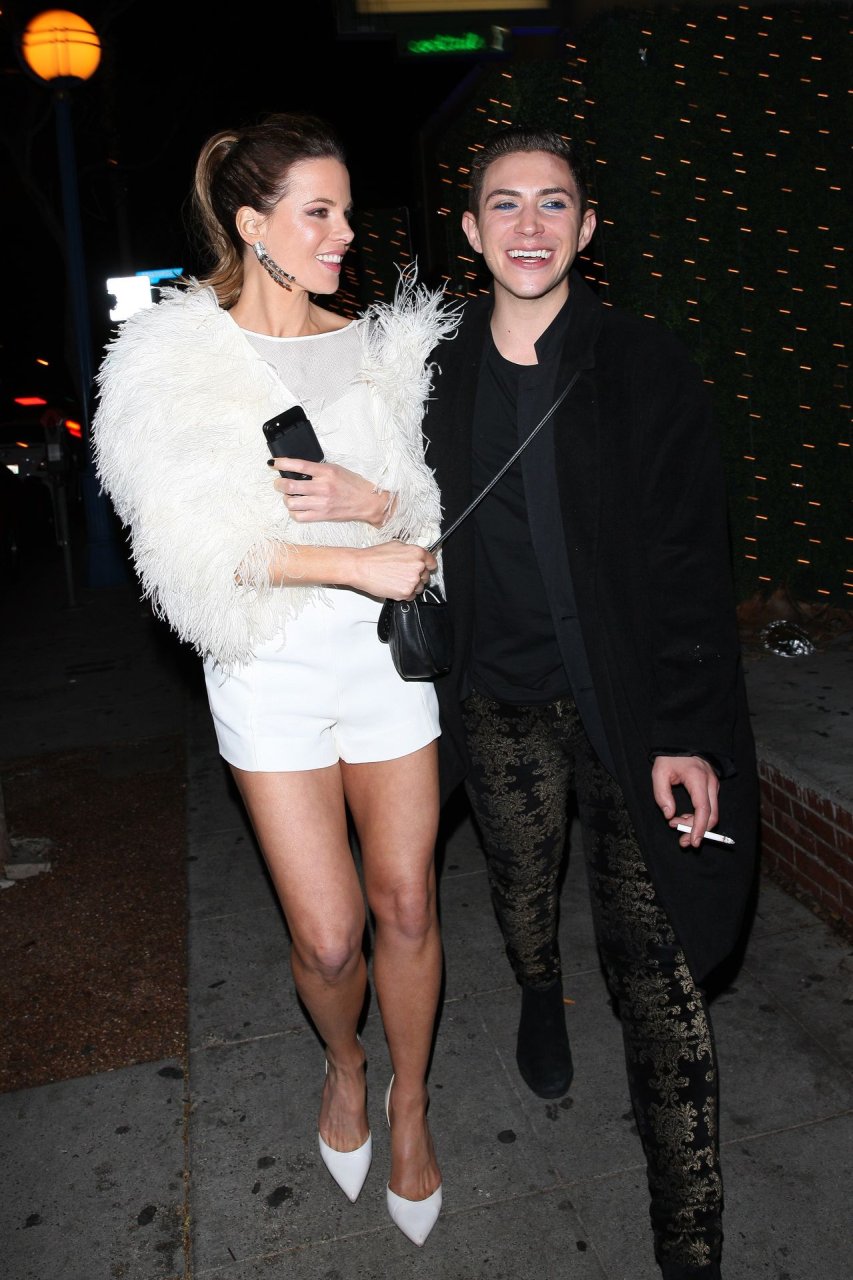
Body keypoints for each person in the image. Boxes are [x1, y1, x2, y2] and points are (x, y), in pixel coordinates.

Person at [91, 111, 461, 1247]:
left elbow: (434, 519)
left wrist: (376, 504)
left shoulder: (385, 351)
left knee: (408, 902)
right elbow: (182, 551)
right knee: (332, 936)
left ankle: (409, 1103)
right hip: (266, 663)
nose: (345, 232)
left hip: (387, 657)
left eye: (345, 210)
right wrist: (346, 554)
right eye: (319, 212)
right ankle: (343, 1062)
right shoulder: (172, 361)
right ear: (253, 226)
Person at [423, 126, 759, 1278]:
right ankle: (536, 987)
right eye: (504, 203)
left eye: (554, 202)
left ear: (587, 226)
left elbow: (691, 561)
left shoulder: (644, 365)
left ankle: (691, 1248)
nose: (529, 224)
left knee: (658, 981)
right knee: (523, 888)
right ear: (470, 232)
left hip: (631, 717)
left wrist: (687, 730)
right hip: (499, 702)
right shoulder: (430, 375)